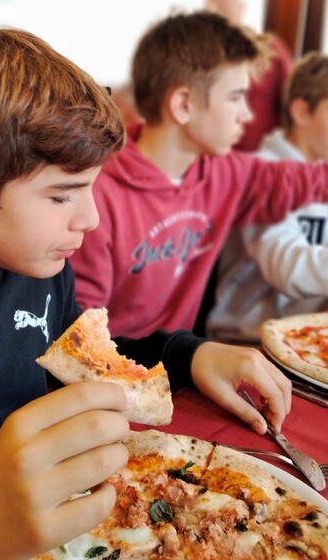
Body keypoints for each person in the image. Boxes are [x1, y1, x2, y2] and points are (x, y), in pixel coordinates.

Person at [0, 22, 292, 560]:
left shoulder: (38, 268)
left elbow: (84, 361)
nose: (91, 219)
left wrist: (186, 356)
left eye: (92, 187)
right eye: (61, 195)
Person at [70, 10, 328, 340]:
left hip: (182, 364)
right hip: (115, 375)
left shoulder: (226, 171)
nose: (247, 115)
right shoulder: (99, 193)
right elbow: (81, 335)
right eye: (236, 98)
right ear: (183, 105)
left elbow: (304, 181)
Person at [207, 52, 328, 343]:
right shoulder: (264, 174)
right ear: (301, 112)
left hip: (306, 338)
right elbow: (284, 268)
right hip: (244, 339)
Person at [205, 0, 293, 151]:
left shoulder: (271, 50)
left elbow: (293, 106)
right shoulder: (194, 50)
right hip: (208, 155)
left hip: (259, 156)